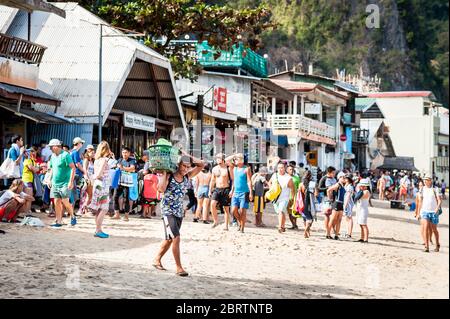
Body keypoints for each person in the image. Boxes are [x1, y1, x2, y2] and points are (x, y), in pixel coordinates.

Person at [152, 153, 205, 277]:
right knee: (176, 237)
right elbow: (160, 189)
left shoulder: (187, 176)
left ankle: (157, 259)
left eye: (188, 167)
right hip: (167, 211)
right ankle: (179, 267)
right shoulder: (170, 175)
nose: (186, 169)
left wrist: (186, 155)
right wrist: (164, 174)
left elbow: (201, 164)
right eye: (183, 166)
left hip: (178, 212)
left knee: (170, 239)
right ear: (178, 165)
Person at [47, 139, 77, 227]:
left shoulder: (65, 155)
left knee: (65, 201)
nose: (50, 149)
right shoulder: (52, 156)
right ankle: (59, 221)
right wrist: (49, 179)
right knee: (56, 202)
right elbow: (52, 168)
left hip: (65, 183)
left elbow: (73, 168)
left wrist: (70, 182)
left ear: (56, 146)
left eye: (51, 147)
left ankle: (72, 215)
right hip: (55, 183)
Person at [417, 175, 442, 253]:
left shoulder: (435, 189)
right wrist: (418, 212)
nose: (425, 181)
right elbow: (420, 201)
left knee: (434, 230)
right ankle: (426, 246)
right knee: (426, 228)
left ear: (430, 180)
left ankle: (437, 244)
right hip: (425, 211)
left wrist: (437, 209)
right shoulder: (422, 189)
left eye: (427, 180)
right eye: (424, 180)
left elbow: (439, 200)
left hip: (434, 212)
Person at [209, 153, 234, 230]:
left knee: (226, 208)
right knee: (212, 204)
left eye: (219, 158)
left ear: (223, 159)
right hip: (217, 189)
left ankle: (226, 225)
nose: (217, 160)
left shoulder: (228, 168)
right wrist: (210, 190)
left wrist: (232, 190)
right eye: (216, 158)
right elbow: (212, 180)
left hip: (225, 189)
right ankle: (215, 221)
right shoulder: (214, 169)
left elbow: (233, 180)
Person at [230, 154, 253, 233]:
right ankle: (240, 222)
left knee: (242, 210)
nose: (234, 161)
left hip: (244, 192)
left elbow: (249, 181)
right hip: (235, 192)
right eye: (235, 159)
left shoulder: (247, 169)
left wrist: (251, 193)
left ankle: (242, 228)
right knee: (233, 211)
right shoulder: (234, 169)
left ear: (241, 160)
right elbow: (234, 181)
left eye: (236, 159)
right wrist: (231, 190)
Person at [112, 147, 136, 221]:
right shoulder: (120, 160)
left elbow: (132, 168)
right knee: (115, 197)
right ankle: (117, 214)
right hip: (119, 181)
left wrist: (123, 168)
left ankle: (126, 216)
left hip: (127, 182)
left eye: (126, 152)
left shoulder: (132, 160)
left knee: (126, 199)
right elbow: (116, 166)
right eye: (123, 152)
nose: (124, 154)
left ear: (129, 153)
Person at [269, 162, 294, 233]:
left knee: (281, 211)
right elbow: (270, 182)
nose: (280, 169)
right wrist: (271, 190)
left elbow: (292, 188)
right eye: (279, 168)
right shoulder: (274, 175)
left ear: (285, 168)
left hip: (284, 198)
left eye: (282, 168)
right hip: (275, 197)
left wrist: (292, 197)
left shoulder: (288, 178)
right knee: (279, 212)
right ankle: (283, 226)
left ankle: (280, 226)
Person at [317, 166, 337, 239]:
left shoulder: (334, 179)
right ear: (329, 172)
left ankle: (332, 230)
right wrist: (328, 188)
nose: (334, 174)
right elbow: (319, 188)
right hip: (326, 198)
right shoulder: (324, 178)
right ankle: (327, 232)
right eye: (333, 173)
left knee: (333, 216)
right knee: (327, 215)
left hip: (334, 199)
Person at [327, 172, 346, 240]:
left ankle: (336, 235)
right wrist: (330, 199)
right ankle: (328, 234)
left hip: (341, 204)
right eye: (343, 177)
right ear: (339, 178)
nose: (344, 178)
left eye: (345, 177)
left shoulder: (342, 185)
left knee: (339, 220)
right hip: (336, 203)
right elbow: (329, 190)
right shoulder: (337, 184)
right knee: (332, 220)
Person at [69, 137, 86, 209]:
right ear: (78, 143)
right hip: (75, 174)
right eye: (81, 143)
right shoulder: (75, 152)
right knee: (74, 194)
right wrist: (84, 171)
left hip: (72, 174)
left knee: (72, 193)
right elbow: (77, 164)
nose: (82, 144)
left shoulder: (71, 151)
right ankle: (71, 212)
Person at [80, 145, 95, 215]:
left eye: (93, 152)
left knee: (90, 195)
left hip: (92, 178)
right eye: (91, 152)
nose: (93, 153)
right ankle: (85, 208)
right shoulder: (86, 160)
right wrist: (86, 178)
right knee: (89, 195)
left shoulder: (93, 161)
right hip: (88, 178)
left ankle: (86, 208)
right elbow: (84, 170)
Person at [299, 170, 315, 238]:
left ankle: (307, 231)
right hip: (310, 203)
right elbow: (316, 194)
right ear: (310, 176)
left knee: (305, 218)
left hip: (302, 203)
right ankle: (306, 230)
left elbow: (299, 194)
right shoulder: (313, 184)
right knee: (310, 219)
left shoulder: (301, 184)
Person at [356, 179, 371, 243]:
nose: (361, 186)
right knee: (360, 224)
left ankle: (366, 239)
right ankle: (362, 238)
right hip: (360, 209)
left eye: (362, 185)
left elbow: (359, 197)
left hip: (363, 210)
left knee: (364, 224)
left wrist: (359, 190)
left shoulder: (366, 191)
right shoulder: (362, 191)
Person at [287, 164, 301, 230]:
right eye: (290, 169)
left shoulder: (296, 178)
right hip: (287, 197)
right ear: (287, 170)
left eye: (292, 169)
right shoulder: (285, 177)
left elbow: (299, 187)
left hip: (295, 197)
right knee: (289, 212)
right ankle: (293, 224)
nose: (291, 170)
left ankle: (295, 224)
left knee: (295, 211)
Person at [343, 174, 355, 239]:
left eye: (346, 178)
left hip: (348, 203)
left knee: (349, 218)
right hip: (347, 203)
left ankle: (349, 233)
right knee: (347, 218)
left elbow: (348, 196)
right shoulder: (347, 185)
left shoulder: (349, 186)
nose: (345, 179)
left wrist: (345, 205)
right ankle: (348, 232)